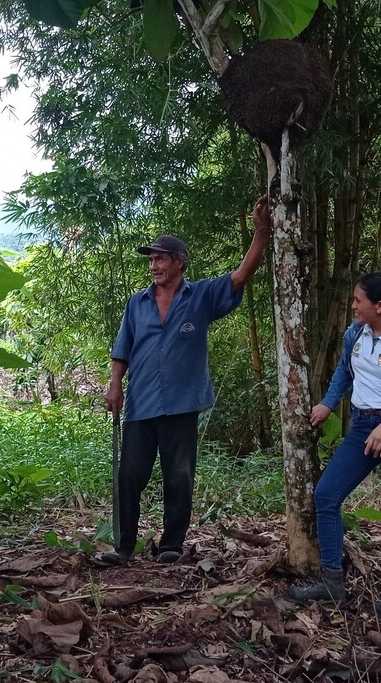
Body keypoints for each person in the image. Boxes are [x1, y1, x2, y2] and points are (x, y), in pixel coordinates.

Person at [101, 195, 273, 565]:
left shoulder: (201, 296)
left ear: (179, 263)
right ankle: (123, 547)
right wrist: (114, 384)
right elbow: (122, 349)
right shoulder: (137, 303)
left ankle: (171, 545)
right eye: (151, 259)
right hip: (141, 403)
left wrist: (261, 233)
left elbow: (241, 276)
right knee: (130, 474)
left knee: (178, 477)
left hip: (182, 403)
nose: (154, 265)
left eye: (160, 258)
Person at [285, 272, 381, 619]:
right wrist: (327, 403)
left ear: (379, 306)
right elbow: (344, 372)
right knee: (326, 495)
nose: (352, 306)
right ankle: (332, 582)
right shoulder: (355, 334)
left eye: (358, 301)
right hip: (363, 427)